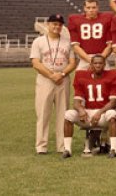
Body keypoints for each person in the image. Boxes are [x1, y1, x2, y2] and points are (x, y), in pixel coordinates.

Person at [31, 14, 77, 155]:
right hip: (45, 79)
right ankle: (41, 146)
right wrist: (51, 75)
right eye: (54, 24)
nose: (56, 27)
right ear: (48, 25)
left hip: (63, 79)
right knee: (43, 113)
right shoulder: (38, 41)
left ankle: (62, 146)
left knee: (63, 114)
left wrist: (61, 74)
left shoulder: (67, 41)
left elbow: (72, 62)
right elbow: (36, 63)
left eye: (59, 24)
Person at [62, 55, 116, 158]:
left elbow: (113, 102)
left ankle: (113, 149)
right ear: (91, 65)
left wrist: (99, 112)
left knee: (112, 114)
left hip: (104, 113)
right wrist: (81, 110)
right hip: (87, 113)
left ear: (105, 65)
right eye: (95, 63)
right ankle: (67, 149)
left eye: (100, 63)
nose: (98, 65)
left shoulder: (113, 75)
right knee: (68, 114)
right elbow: (76, 102)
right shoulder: (81, 76)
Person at [68, 0, 114, 69]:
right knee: (79, 77)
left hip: (102, 57)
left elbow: (110, 45)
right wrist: (90, 60)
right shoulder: (75, 20)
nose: (91, 10)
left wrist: (100, 60)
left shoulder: (107, 19)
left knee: (108, 78)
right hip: (84, 58)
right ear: (84, 8)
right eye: (88, 8)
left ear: (98, 8)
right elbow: (76, 46)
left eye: (93, 7)